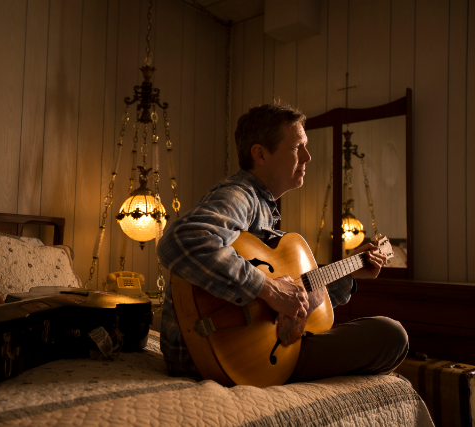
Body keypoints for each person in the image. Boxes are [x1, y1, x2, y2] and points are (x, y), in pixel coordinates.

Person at [156, 101, 408, 382]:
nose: (308, 157)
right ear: (261, 154)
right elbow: (180, 241)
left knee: (384, 336)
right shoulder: (240, 195)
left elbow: (300, 296)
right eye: (296, 147)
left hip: (246, 350)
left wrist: (351, 270)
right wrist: (269, 290)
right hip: (208, 357)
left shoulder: (264, 210)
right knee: (391, 336)